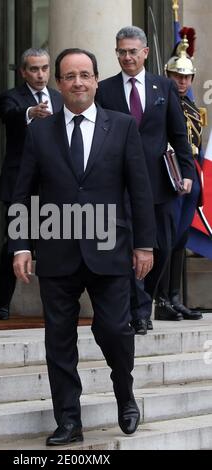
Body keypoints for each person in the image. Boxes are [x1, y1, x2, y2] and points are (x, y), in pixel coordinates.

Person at [10, 48, 156, 445]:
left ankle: (124, 396)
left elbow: (140, 191)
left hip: (110, 248)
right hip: (56, 252)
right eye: (70, 76)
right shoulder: (40, 131)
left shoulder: (123, 126)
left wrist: (145, 244)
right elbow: (21, 194)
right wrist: (20, 245)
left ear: (95, 79)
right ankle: (69, 421)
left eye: (85, 75)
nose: (78, 83)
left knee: (113, 329)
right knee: (59, 339)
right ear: (58, 84)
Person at [96, 26, 195, 334]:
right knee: (129, 249)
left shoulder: (163, 87)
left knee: (162, 246)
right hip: (119, 184)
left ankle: (146, 298)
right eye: (121, 52)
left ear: (145, 53)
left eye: (132, 51)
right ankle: (138, 312)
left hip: (159, 183)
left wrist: (188, 172)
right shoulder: (106, 89)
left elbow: (179, 133)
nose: (127, 57)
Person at [0, 48, 63, 320]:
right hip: (20, 181)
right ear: (23, 72)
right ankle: (2, 302)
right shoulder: (11, 97)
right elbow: (9, 117)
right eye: (34, 69)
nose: (40, 74)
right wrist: (30, 113)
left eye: (45, 68)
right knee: (15, 240)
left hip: (52, 184)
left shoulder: (58, 98)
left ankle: (53, 303)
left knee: (51, 242)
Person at [155, 31, 204, 320]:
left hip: (189, 176)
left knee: (180, 239)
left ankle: (175, 297)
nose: (182, 82)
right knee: (166, 237)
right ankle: (161, 300)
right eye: (177, 76)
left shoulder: (192, 109)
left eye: (186, 77)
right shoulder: (161, 103)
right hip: (168, 176)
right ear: (167, 75)